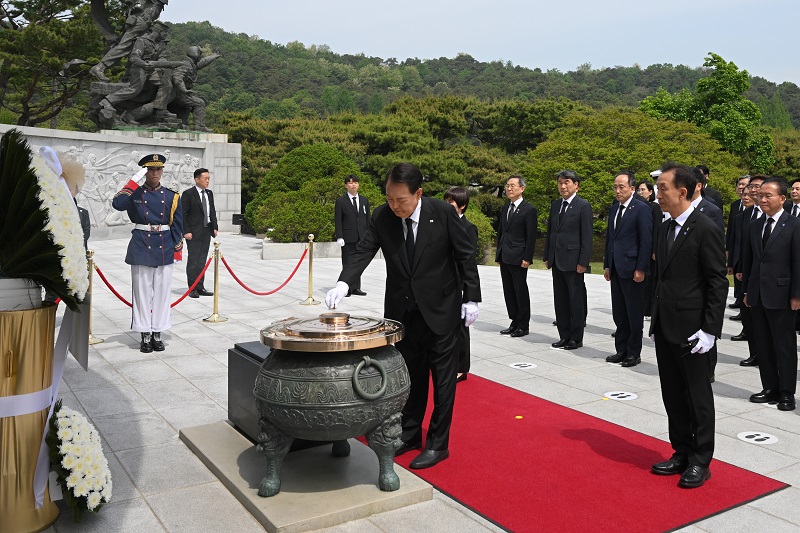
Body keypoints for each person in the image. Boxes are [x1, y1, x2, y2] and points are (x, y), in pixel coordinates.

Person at [325, 162, 481, 469]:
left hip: (441, 311)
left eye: (402, 200)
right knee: (411, 376)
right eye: (390, 198)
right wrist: (344, 282)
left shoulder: (443, 213)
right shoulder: (383, 216)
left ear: (418, 193)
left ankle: (438, 444)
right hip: (404, 313)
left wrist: (472, 298)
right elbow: (364, 250)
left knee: (444, 381)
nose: (395, 206)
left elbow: (465, 255)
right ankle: (409, 434)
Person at [649, 162, 727, 489]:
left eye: (663, 188)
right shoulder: (665, 226)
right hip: (665, 324)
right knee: (672, 394)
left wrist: (710, 330)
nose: (658, 194)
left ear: (682, 191)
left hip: (694, 330)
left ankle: (701, 459)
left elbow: (717, 282)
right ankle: (680, 450)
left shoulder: (706, 227)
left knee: (697, 395)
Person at [112, 153, 183, 353]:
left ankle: (158, 332)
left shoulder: (171, 196)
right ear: (145, 171)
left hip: (164, 246)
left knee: (161, 294)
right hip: (141, 244)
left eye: (158, 169)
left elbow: (177, 226)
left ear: (162, 171)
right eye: (150, 169)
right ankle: (144, 333)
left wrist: (176, 250)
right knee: (142, 292)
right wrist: (133, 181)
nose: (155, 173)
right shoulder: (134, 194)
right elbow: (117, 204)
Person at [742, 177, 800, 412]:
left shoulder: (794, 224)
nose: (762, 199)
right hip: (757, 294)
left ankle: (786, 392)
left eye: (768, 195)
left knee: (784, 345)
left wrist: (796, 295)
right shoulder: (755, 224)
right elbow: (749, 261)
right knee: (763, 345)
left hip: (783, 294)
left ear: (782, 199)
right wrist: (746, 290)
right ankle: (770, 388)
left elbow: (798, 262)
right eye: (760, 195)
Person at [604, 171, 652, 367]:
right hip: (616, 268)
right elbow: (610, 240)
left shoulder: (641, 208)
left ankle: (634, 352)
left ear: (632, 188)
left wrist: (641, 268)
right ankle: (621, 349)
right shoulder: (614, 209)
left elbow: (646, 241)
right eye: (615, 187)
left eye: (621, 187)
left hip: (633, 269)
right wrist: (607, 264)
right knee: (619, 313)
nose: (617, 190)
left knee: (633, 314)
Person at [543, 170, 593, 350]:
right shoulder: (556, 205)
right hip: (557, 259)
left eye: (567, 183)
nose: (563, 186)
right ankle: (564, 335)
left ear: (576, 185)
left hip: (574, 261)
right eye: (560, 183)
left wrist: (583, 262)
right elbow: (551, 232)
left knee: (575, 300)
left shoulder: (583, 206)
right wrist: (548, 255)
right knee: (561, 300)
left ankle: (576, 338)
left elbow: (586, 237)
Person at [495, 175, 538, 338]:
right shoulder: (506, 208)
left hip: (519, 256)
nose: (509, 188)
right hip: (505, 255)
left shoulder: (529, 209)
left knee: (520, 290)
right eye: (507, 186)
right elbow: (501, 232)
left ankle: (523, 324)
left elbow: (531, 236)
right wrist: (499, 254)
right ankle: (514, 320)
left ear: (522, 188)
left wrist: (527, 258)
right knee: (508, 290)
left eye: (513, 185)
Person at [444, 186, 479, 382]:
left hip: (459, 281)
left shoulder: (468, 228)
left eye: (451, 202)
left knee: (461, 326)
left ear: (462, 205)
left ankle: (461, 367)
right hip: (442, 281)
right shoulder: (441, 224)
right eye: (446, 201)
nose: (447, 205)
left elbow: (468, 260)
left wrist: (471, 294)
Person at [181, 168, 218, 298]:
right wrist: (186, 231)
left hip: (206, 230)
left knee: (202, 260)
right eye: (205, 178)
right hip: (193, 232)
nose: (208, 181)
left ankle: (200, 286)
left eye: (209, 178)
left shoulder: (209, 193)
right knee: (193, 260)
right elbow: (183, 215)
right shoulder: (188, 194)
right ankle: (192, 288)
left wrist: (214, 227)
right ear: (197, 179)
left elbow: (211, 211)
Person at [334, 174, 370, 296]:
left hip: (362, 237)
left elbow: (367, 220)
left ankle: (356, 288)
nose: (353, 184)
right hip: (348, 237)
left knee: (358, 263)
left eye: (355, 182)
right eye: (350, 182)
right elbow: (338, 220)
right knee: (348, 263)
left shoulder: (364, 200)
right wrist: (339, 236)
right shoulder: (340, 201)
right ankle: (347, 288)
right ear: (346, 185)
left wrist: (369, 236)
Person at [726, 175, 751, 310]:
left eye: (744, 185)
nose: (741, 187)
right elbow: (731, 230)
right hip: (736, 249)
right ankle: (739, 301)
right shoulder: (735, 205)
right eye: (739, 184)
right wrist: (728, 248)